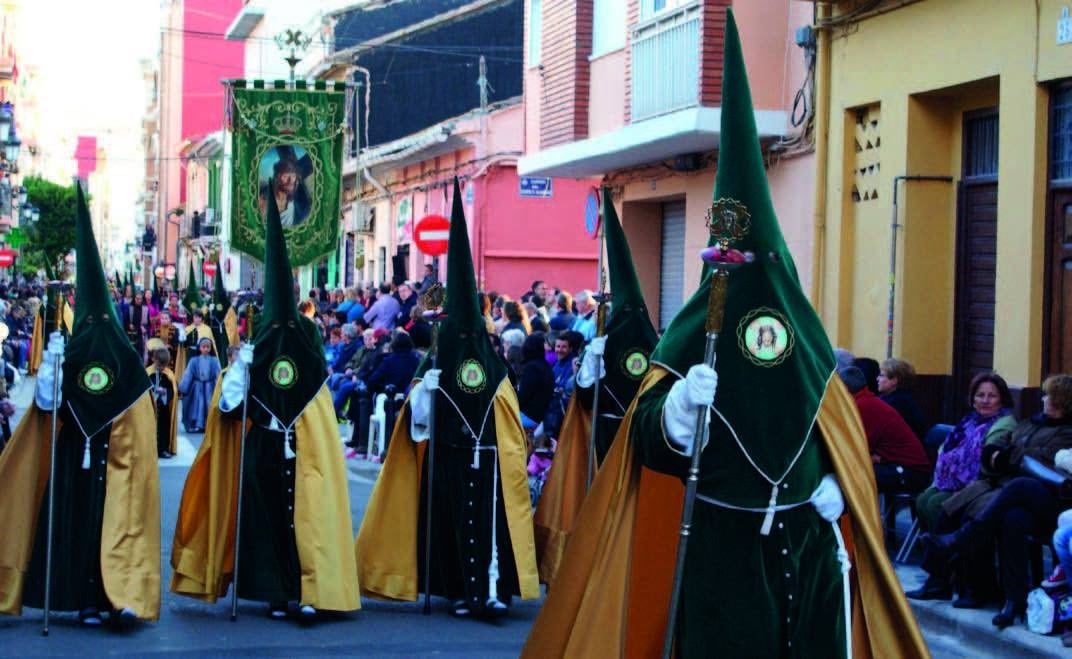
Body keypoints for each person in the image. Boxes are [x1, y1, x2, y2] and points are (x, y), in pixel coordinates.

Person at [522, 12, 927, 657]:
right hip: (718, 548)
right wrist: (677, 413)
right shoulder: (689, 337)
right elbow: (649, 440)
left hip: (809, 547)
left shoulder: (808, 341)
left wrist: (836, 488)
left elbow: (838, 436)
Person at [171, 182, 358, 621]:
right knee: (267, 523)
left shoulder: (310, 364)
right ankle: (275, 592)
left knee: (307, 520)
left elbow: (318, 410)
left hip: (302, 452)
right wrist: (241, 367)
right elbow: (230, 409)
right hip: (263, 451)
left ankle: (309, 587)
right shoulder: (253, 357)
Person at [356, 180, 538, 619]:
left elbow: (509, 418)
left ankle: (493, 589)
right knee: (453, 524)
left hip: (488, 459)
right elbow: (415, 422)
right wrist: (426, 393)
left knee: (490, 527)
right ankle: (457, 589)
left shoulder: (494, 369)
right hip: (449, 458)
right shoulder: (434, 365)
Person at [0, 185, 160, 627]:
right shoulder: (67, 355)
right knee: (70, 532)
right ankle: (77, 599)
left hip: (111, 460)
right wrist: (52, 368)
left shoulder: (124, 360)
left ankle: (115, 597)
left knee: (111, 530)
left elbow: (137, 413)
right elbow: (47, 407)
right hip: (72, 459)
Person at [533, 192, 660, 585]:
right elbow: (585, 398)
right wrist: (590, 364)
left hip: (635, 436)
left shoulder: (652, 352)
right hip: (601, 435)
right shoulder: (598, 350)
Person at [919, 374, 1072, 627]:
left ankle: (962, 541)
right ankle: (1013, 601)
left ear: (1060, 402)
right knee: (1010, 520)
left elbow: (1042, 460)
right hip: (1015, 496)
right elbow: (996, 450)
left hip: (1053, 501)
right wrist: (1009, 456)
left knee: (1016, 487)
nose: (1044, 399)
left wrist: (1010, 456)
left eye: (1049, 396)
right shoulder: (1030, 423)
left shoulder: (1067, 432)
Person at [905, 371, 1016, 602]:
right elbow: (948, 452)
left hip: (983, 483)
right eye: (980, 395)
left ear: (1002, 399)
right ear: (972, 398)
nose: (985, 400)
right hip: (955, 481)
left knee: (938, 504)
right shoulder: (969, 420)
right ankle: (939, 576)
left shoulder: (1004, 423)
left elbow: (987, 462)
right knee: (924, 499)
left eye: (991, 396)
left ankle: (943, 579)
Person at [838, 365, 930, 495]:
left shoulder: (863, 406)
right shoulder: (867, 401)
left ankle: (867, 515)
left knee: (850, 474)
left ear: (844, 388)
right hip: (900, 466)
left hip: (911, 472)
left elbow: (856, 448)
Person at [178, 337, 221, 434]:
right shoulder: (194, 360)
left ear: (210, 348)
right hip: (197, 387)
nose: (205, 349)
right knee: (197, 405)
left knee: (209, 405)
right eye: (203, 347)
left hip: (210, 386)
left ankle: (208, 425)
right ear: (200, 348)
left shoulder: (215, 361)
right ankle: (198, 424)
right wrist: (183, 387)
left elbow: (218, 375)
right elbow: (188, 374)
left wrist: (220, 387)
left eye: (208, 347)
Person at [877, 357, 927, 439]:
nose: (877, 379)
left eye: (882, 375)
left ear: (894, 381)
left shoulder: (896, 404)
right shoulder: (907, 398)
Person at [259, 153, 311, 228]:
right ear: (277, 178)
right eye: (285, 176)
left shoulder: (299, 203)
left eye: (293, 176)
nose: (291, 181)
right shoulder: (264, 201)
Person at [517, 332, 554, 433]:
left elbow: (523, 397)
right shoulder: (544, 365)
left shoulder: (532, 368)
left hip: (530, 416)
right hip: (539, 415)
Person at [148, 346, 178, 459]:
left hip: (164, 407)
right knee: (151, 428)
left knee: (164, 428)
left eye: (164, 365)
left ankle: (163, 449)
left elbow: (173, 390)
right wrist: (153, 391)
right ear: (154, 360)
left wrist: (165, 392)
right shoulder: (148, 372)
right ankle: (150, 449)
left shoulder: (168, 374)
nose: (162, 368)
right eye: (160, 365)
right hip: (151, 407)